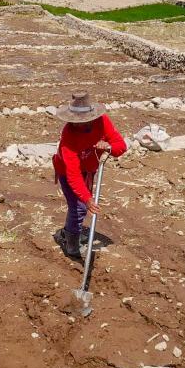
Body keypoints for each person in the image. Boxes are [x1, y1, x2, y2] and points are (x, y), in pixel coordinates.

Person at [53, 92, 127, 259]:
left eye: (83, 121)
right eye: (75, 121)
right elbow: (73, 175)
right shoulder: (68, 136)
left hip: (88, 169)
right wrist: (87, 198)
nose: (79, 125)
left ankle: (68, 233)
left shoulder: (102, 121)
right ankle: (71, 244)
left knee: (78, 207)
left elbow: (121, 146)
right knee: (79, 207)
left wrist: (108, 147)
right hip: (67, 171)